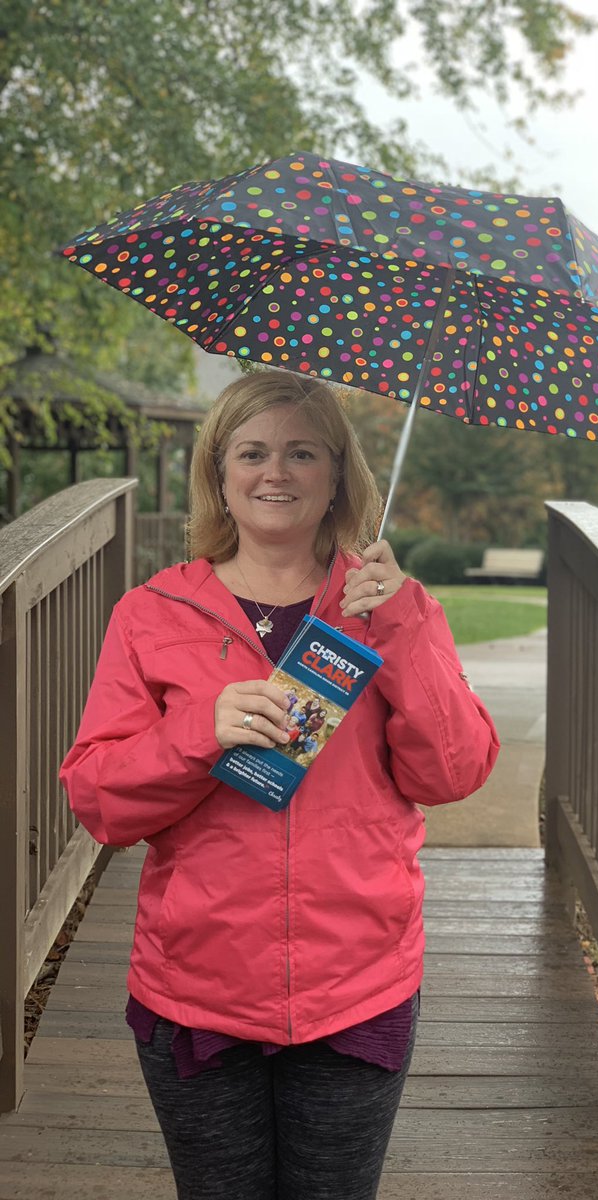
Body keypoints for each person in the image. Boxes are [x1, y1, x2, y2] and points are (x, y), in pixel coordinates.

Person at [60, 371, 500, 1200]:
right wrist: (199, 732)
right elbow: (99, 800)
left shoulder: (389, 606)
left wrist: (401, 625)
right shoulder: (153, 614)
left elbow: (454, 771)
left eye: (303, 452)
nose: (277, 473)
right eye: (253, 452)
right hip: (199, 985)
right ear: (219, 473)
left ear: (339, 476)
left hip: (357, 983)